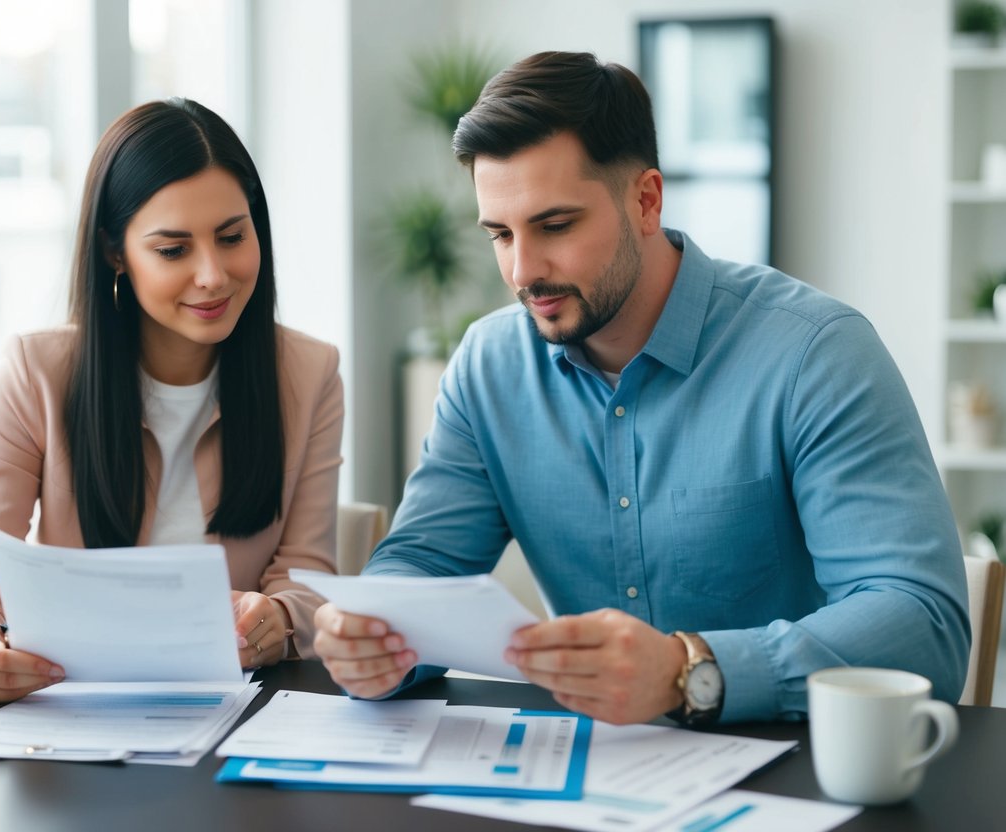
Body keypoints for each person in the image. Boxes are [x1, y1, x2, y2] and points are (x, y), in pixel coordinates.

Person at [312, 52, 969, 725]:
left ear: (646, 200)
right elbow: (425, 559)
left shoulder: (814, 354)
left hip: (794, 771)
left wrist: (692, 671)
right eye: (500, 234)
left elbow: (924, 627)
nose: (522, 270)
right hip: (588, 776)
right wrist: (375, 634)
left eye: (555, 226)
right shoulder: (488, 366)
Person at [0, 99, 343, 703]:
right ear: (116, 252)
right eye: (173, 250)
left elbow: (306, 577)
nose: (213, 275)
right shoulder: (36, 373)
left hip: (236, 714)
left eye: (231, 237)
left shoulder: (308, 372)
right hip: (74, 720)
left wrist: (276, 618)